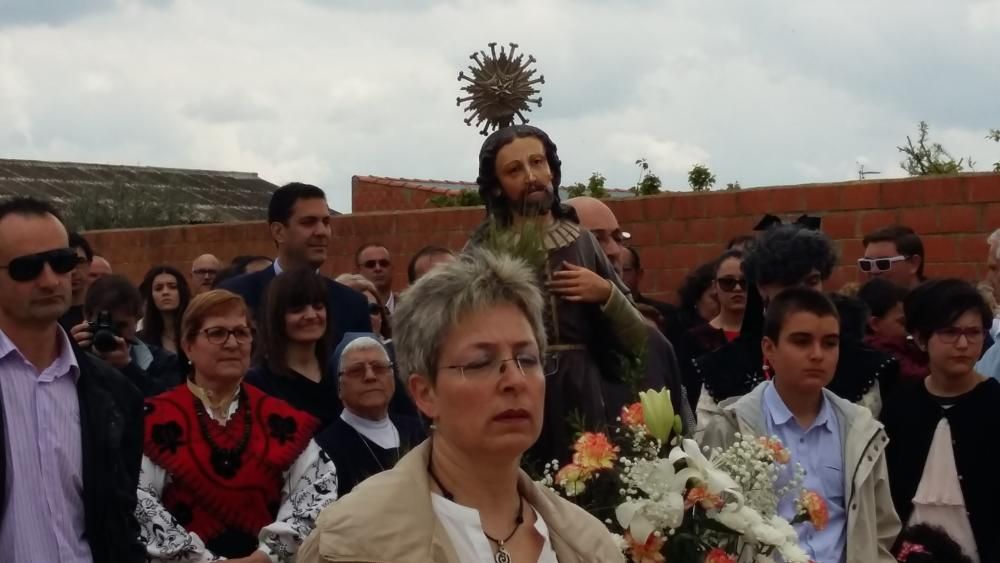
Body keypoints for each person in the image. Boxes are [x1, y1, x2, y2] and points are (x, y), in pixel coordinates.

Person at [299, 249, 626, 563]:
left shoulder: (589, 544)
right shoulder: (351, 542)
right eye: (481, 362)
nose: (515, 379)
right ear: (425, 393)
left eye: (527, 358)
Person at [465, 125, 652, 466]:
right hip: (511, 383)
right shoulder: (484, 247)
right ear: (496, 185)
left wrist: (605, 292)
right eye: (514, 169)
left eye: (537, 162)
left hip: (580, 387)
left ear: (552, 168)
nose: (531, 176)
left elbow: (638, 335)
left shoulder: (581, 241)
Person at [701, 287, 901, 563]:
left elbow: (880, 528)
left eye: (830, 343)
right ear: (769, 348)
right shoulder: (732, 427)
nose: (817, 354)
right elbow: (708, 527)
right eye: (802, 341)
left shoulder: (860, 429)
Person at [136, 289, 338, 562]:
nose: (233, 343)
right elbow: (140, 504)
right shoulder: (151, 418)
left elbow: (316, 493)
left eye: (241, 333)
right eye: (217, 333)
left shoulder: (283, 420)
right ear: (188, 346)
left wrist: (266, 556)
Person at [0, 197, 144, 562]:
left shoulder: (114, 394)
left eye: (61, 262)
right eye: (26, 268)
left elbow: (119, 519)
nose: (49, 280)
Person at [693, 224, 898, 422]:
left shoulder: (863, 366)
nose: (803, 295)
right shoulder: (723, 369)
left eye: (812, 282)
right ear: (763, 288)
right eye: (789, 284)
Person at [883, 279, 1000, 563]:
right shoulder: (901, 404)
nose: (963, 344)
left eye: (973, 333)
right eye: (950, 332)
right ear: (921, 338)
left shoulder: (994, 403)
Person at [566, 196, 694, 434]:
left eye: (617, 238)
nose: (614, 251)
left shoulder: (653, 343)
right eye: (596, 239)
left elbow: (684, 436)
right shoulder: (543, 351)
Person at [220, 182, 370, 344]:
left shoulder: (352, 305)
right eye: (308, 222)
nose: (322, 232)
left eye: (326, 222)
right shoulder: (235, 296)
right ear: (278, 232)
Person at [314, 333, 426, 497]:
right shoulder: (321, 453)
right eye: (356, 370)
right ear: (338, 387)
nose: (370, 376)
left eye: (379, 368)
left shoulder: (421, 432)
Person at [246, 268, 341, 428]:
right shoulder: (258, 383)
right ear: (277, 316)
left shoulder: (341, 371)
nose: (311, 316)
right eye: (297, 310)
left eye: (318, 306)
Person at [71, 275, 183, 396]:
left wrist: (129, 368)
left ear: (137, 319)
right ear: (87, 318)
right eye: (104, 325)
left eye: (120, 326)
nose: (110, 333)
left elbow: (167, 403)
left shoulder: (163, 362)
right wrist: (69, 353)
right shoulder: (71, 356)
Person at [678, 250, 745, 409]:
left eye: (745, 282)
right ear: (715, 286)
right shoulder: (693, 338)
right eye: (727, 282)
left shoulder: (768, 333)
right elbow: (688, 393)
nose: (737, 288)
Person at [858, 278, 928, 381]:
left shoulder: (901, 345)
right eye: (903, 322)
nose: (910, 329)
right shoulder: (879, 350)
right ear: (875, 324)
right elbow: (912, 374)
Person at [138, 265, 191, 355]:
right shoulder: (141, 341)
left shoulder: (196, 333)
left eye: (172, 287)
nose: (165, 292)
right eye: (158, 288)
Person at [860, 226, 926, 289]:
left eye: (883, 263)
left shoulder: (934, 299)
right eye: (867, 264)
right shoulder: (861, 298)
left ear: (913, 263)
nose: (873, 271)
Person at [59, 231, 93, 330]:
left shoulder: (103, 311)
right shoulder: (46, 317)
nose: (73, 271)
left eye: (80, 262)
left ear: (89, 264)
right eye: (66, 262)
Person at [356, 243, 398, 314]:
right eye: (370, 264)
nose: (378, 268)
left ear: (392, 268)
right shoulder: (350, 310)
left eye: (384, 263)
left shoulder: (409, 307)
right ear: (357, 271)